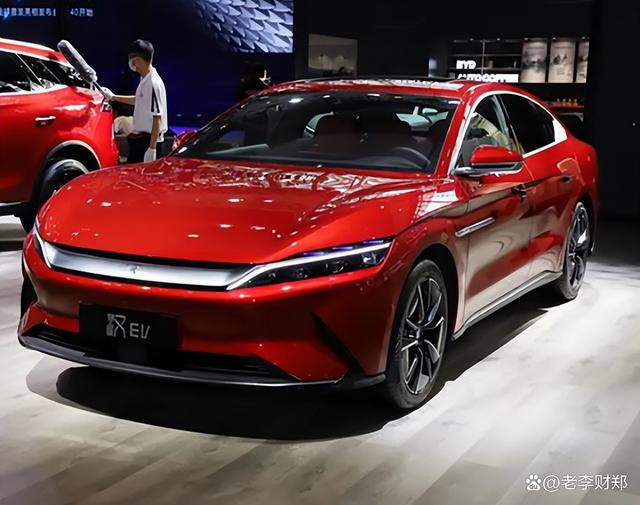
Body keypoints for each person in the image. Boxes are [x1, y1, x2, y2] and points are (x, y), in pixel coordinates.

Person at [104, 40, 168, 163]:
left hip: (148, 142)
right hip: (140, 139)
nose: (131, 62)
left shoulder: (153, 83)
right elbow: (138, 100)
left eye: (132, 58)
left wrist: (152, 149)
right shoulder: (144, 79)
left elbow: (157, 118)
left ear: (138, 59)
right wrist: (113, 97)